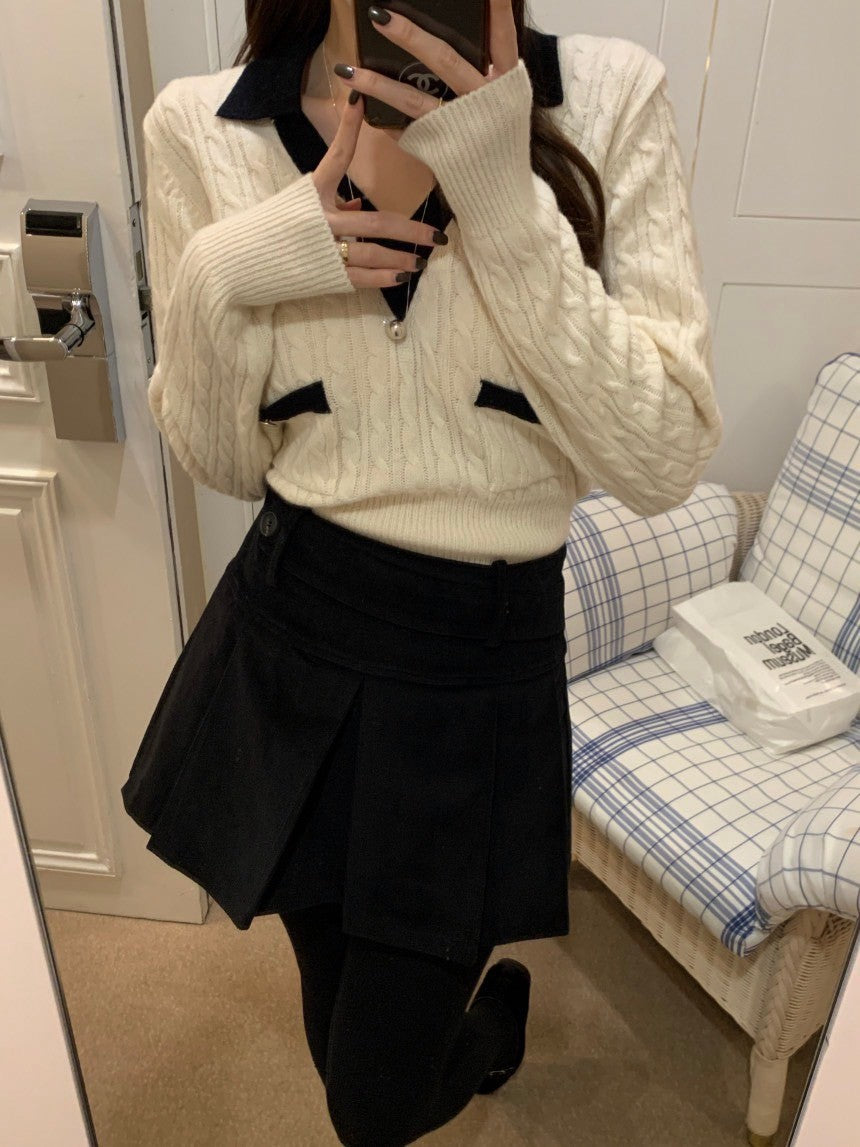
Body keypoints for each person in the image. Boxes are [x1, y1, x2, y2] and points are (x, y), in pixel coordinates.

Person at [121, 0, 723, 1142]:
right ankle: (469, 1036)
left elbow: (659, 461)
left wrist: (500, 194)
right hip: (292, 626)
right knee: (334, 1002)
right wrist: (223, 270)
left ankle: (483, 1034)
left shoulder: (606, 98)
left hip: (476, 654)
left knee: (372, 1099)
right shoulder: (202, 123)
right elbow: (226, 463)